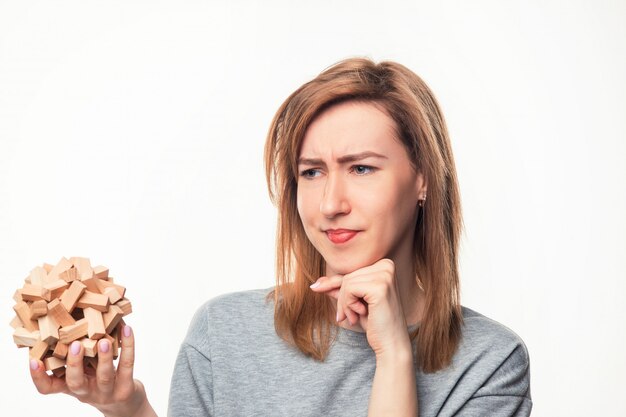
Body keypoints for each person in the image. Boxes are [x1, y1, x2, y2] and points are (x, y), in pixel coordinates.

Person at [29, 58, 532, 416]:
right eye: (311, 173)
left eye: (361, 167)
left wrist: (395, 355)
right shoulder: (224, 334)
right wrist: (128, 409)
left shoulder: (489, 364)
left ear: (422, 179)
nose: (331, 202)